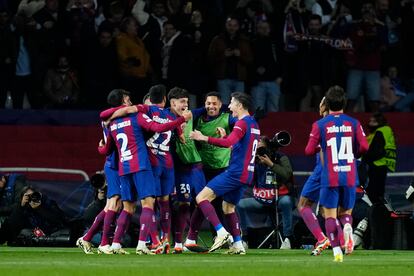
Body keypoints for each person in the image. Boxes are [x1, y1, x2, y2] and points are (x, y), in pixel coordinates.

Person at [105, 89, 191, 255]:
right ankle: (149, 243)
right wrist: (182, 120)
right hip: (147, 164)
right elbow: (163, 130)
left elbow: (105, 149)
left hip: (125, 167)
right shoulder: (142, 116)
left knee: (127, 207)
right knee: (151, 203)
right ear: (165, 99)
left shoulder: (113, 123)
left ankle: (115, 244)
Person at [190, 92, 260, 255]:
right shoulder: (254, 124)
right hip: (247, 174)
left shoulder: (241, 123)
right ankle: (238, 245)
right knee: (228, 207)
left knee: (201, 198)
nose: (229, 106)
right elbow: (238, 146)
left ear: (240, 106)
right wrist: (226, 137)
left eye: (232, 103)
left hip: (235, 172)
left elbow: (229, 143)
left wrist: (203, 138)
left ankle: (221, 232)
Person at [305, 86, 368, 262]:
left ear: (326, 104)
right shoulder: (354, 123)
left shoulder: (320, 124)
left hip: (330, 175)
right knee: (345, 213)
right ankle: (348, 225)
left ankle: (336, 252)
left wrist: (323, 145)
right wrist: (353, 152)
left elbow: (309, 150)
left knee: (330, 215)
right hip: (349, 174)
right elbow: (364, 147)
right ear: (344, 103)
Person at [77, 90, 131, 254]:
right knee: (114, 202)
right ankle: (104, 243)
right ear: (122, 101)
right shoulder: (117, 118)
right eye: (128, 100)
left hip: (115, 163)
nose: (130, 103)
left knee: (112, 205)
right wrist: (102, 149)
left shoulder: (111, 117)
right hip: (114, 164)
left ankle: (87, 238)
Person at [237, 135, 295, 249]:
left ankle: (288, 238)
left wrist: (271, 164)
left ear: (268, 148)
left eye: (261, 148)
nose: (259, 151)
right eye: (257, 148)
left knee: (287, 202)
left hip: (280, 198)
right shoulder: (253, 160)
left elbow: (287, 175)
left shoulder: (280, 157)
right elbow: (247, 180)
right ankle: (244, 238)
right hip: (261, 200)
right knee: (239, 204)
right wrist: (251, 163)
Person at [208, 17, 253, 104]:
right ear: (225, 25)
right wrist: (223, 55)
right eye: (229, 25)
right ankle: (225, 118)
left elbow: (250, 59)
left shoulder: (244, 40)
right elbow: (210, 58)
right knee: (224, 104)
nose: (232, 28)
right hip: (223, 78)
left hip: (239, 78)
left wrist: (240, 55)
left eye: (234, 25)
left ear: (238, 27)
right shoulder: (218, 40)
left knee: (239, 105)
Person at [363, 112, 396, 205]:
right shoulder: (385, 130)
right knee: (379, 192)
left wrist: (366, 159)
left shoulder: (380, 132)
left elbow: (377, 150)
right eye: (370, 121)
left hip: (377, 164)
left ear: (380, 122)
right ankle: (379, 212)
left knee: (373, 193)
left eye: (374, 122)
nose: (370, 123)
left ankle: (376, 214)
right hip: (382, 164)